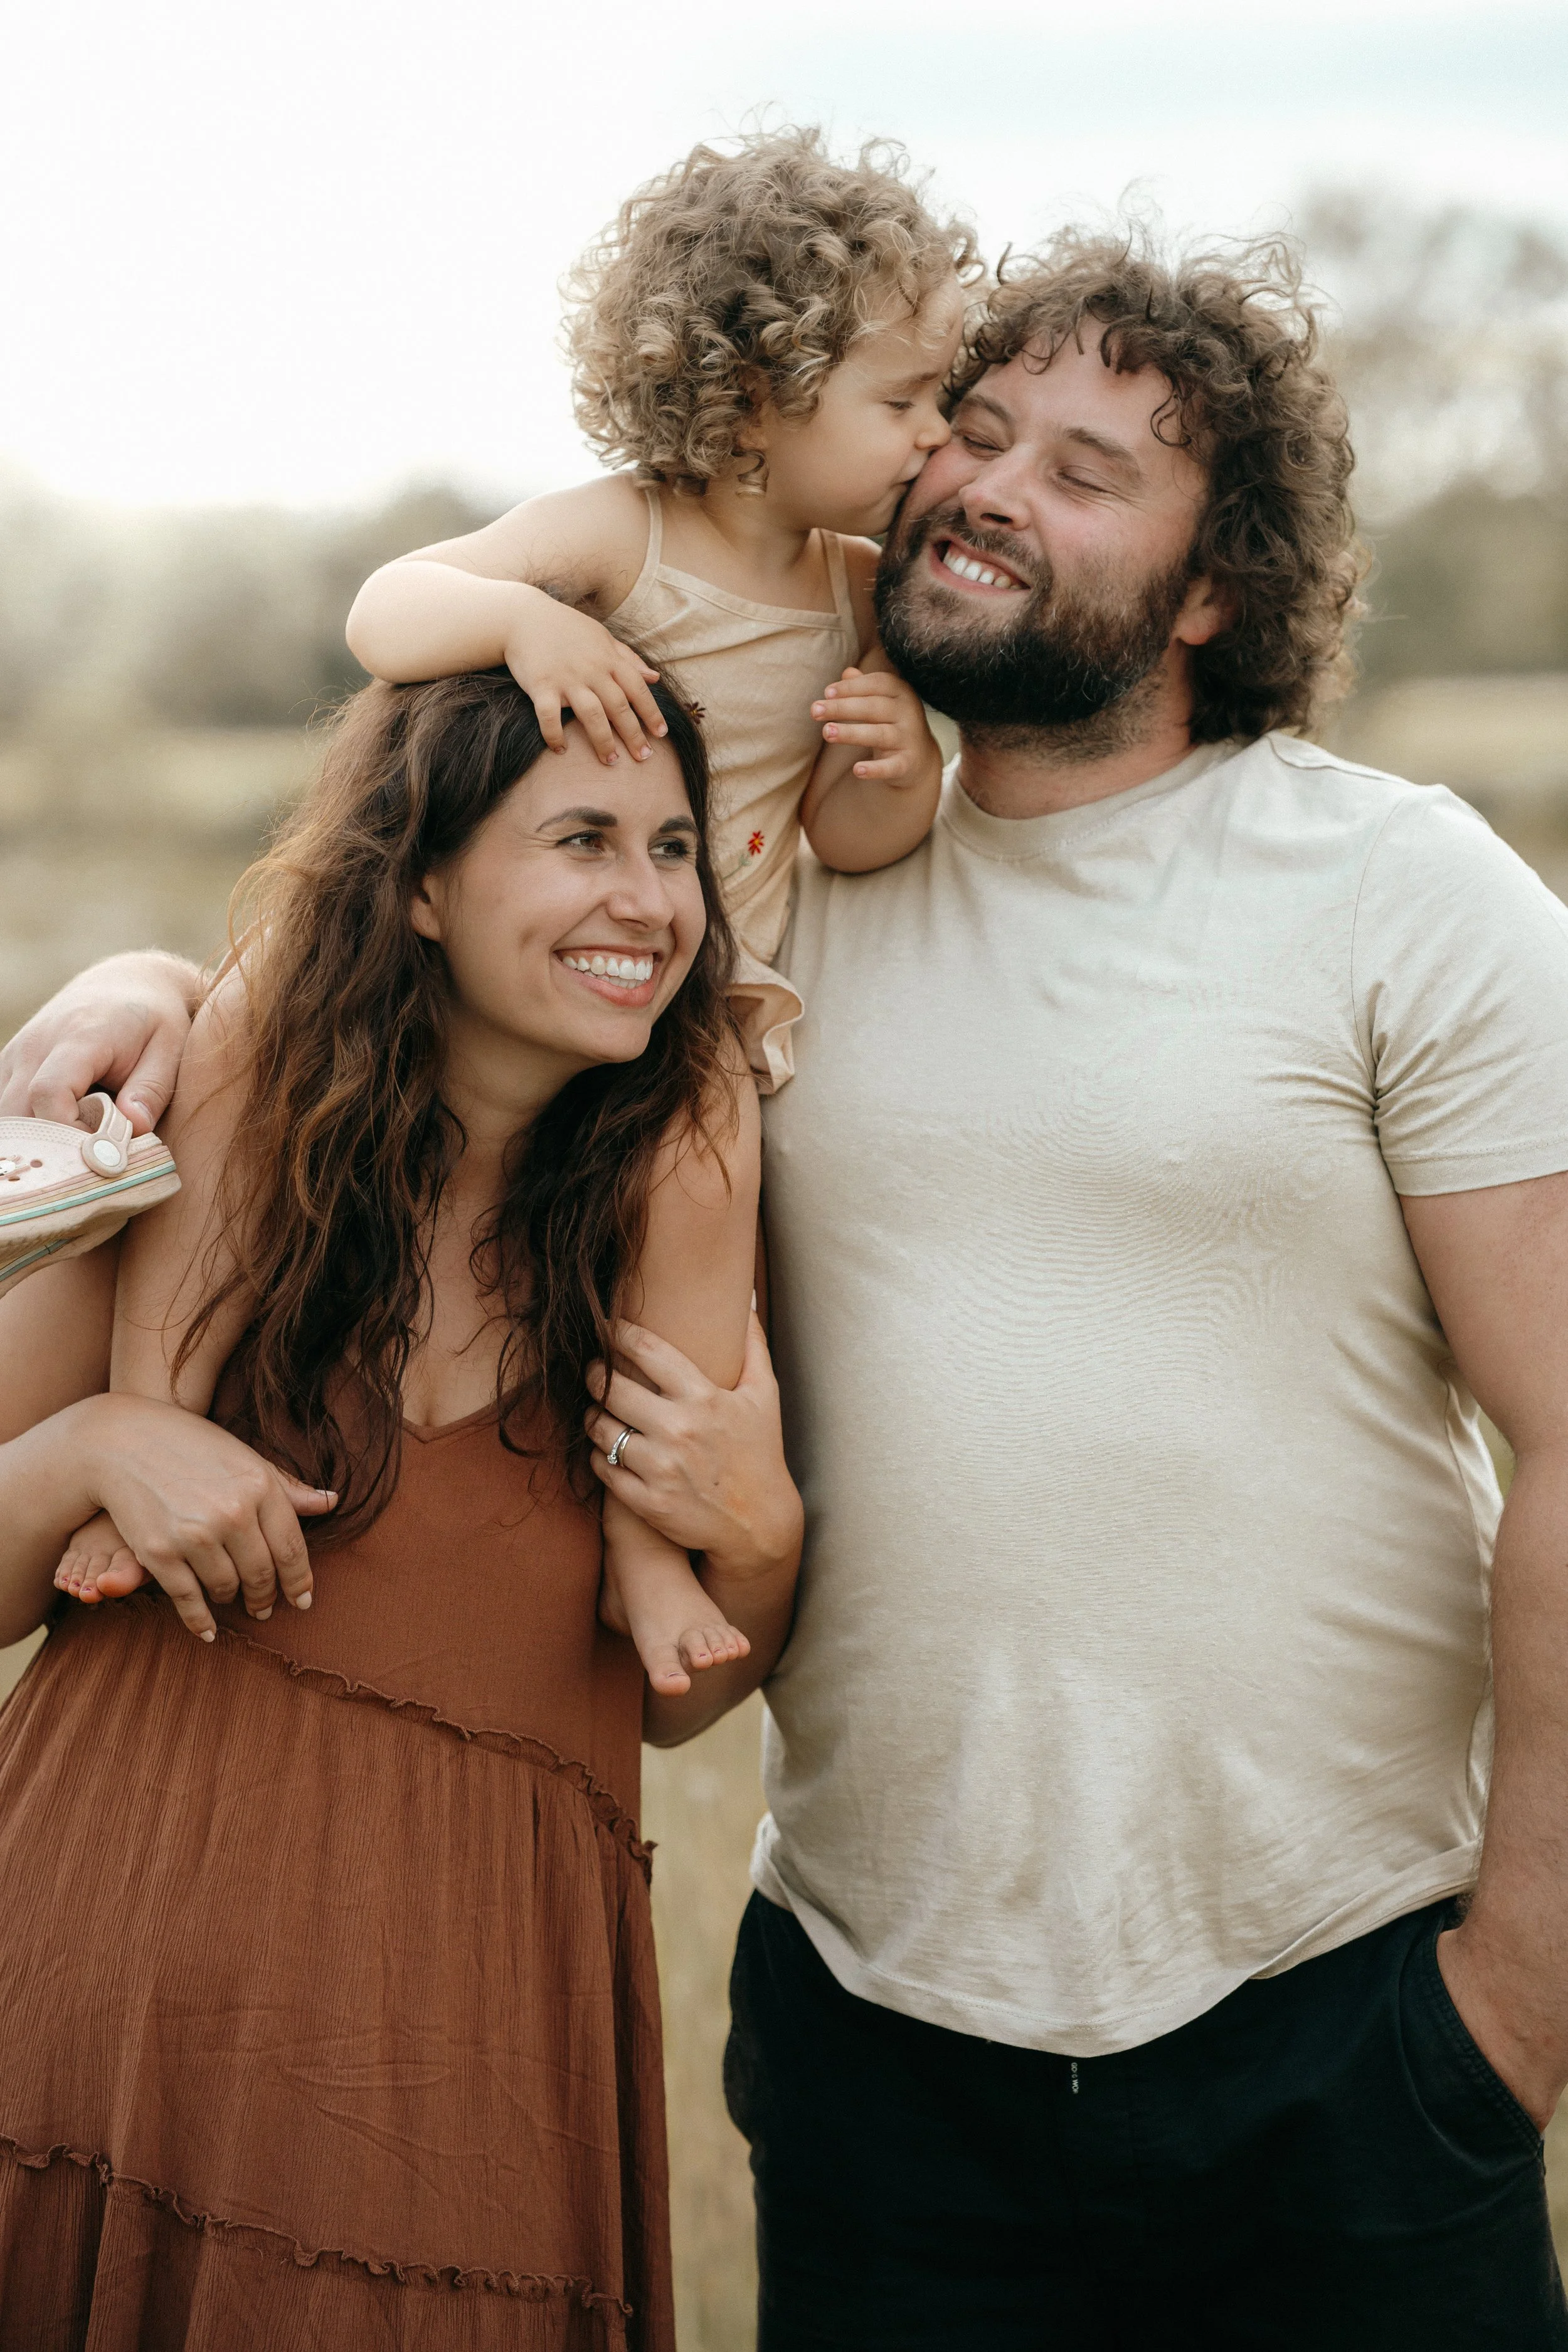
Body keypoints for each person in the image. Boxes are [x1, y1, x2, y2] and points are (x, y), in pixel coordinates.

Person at [16, 224, 1568, 2352]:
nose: (993, 484)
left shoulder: (1400, 887)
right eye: (978, 427)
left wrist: (1521, 1997)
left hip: (1342, 2008)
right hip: (877, 2024)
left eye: (1090, 470)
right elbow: (424, 974)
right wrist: (147, 989)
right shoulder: (754, 912)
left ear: (1218, 591)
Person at [0, 667, 801, 2349]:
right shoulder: (202, 1132)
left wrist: (768, 1536)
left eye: (670, 848)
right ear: (421, 882)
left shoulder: (670, 1199)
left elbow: (684, 1702)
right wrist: (89, 1449)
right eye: (578, 837)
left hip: (465, 2056)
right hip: (99, 1994)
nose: (645, 900)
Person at [342, 127, 975, 1691]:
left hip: (692, 986)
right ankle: (163, 1403)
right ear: (756, 397)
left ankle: (641, 1527)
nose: (933, 438)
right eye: (900, 400)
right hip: (529, 968)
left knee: (700, 1183)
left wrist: (896, 766)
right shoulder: (619, 533)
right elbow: (383, 612)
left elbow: (856, 840)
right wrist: (517, 626)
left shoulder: (850, 592)